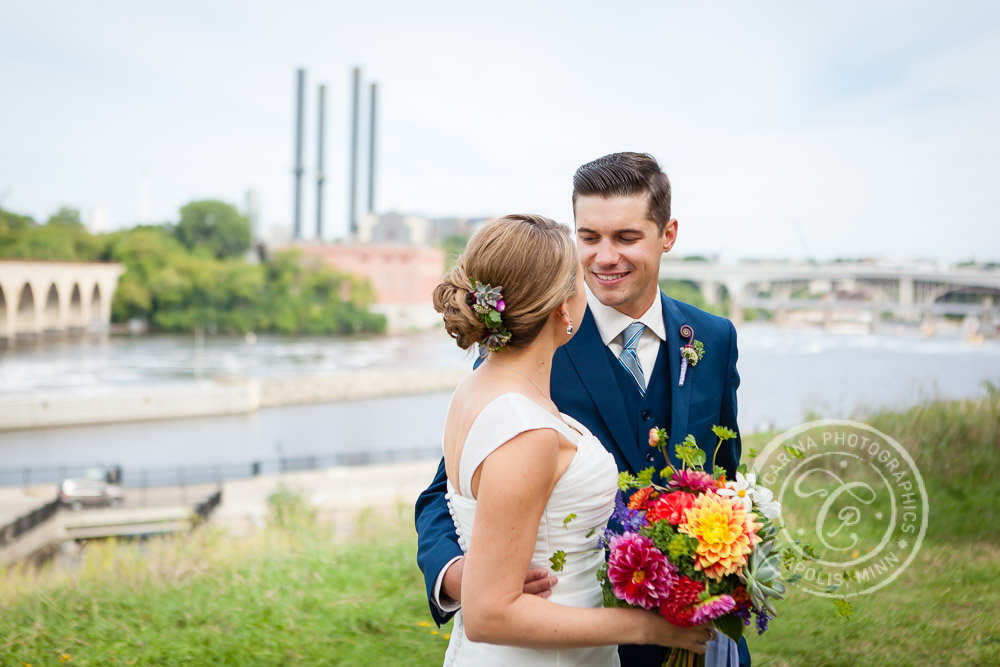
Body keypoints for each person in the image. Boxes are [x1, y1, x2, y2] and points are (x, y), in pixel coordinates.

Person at [416, 153, 749, 666]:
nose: (604, 257)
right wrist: (460, 573)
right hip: (570, 632)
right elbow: (450, 488)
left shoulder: (712, 337)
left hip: (695, 634)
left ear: (668, 234)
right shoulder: (527, 341)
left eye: (626, 238)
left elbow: (722, 475)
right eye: (589, 237)